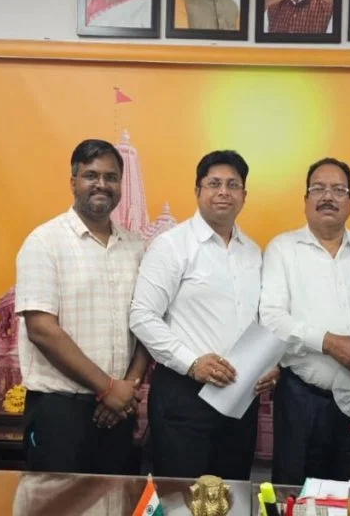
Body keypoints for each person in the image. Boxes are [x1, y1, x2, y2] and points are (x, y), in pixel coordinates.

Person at [130, 150, 277, 480]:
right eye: (214, 183)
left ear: (244, 195)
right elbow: (142, 315)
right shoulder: (172, 245)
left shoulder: (252, 252)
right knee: (181, 498)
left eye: (232, 185)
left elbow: (260, 320)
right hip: (184, 396)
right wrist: (192, 363)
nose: (224, 192)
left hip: (240, 399)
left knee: (233, 494)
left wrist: (269, 364)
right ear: (197, 191)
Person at [16, 139, 150, 475]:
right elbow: (41, 330)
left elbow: (147, 324)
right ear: (73, 182)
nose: (102, 184)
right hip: (60, 412)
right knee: (58, 501)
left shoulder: (136, 247)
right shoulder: (44, 242)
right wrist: (107, 388)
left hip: (119, 412)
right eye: (91, 175)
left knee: (116, 500)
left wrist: (125, 390)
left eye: (111, 177)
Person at [260, 158, 350, 484]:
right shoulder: (283, 248)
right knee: (296, 494)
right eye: (318, 189)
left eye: (338, 190)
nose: (328, 196)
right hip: (302, 399)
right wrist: (329, 343)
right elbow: (272, 318)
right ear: (306, 200)